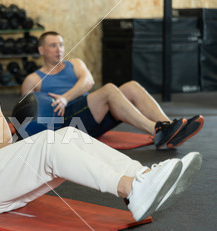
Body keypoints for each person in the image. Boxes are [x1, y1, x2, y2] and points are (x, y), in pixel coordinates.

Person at [0, 34, 202, 222]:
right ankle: (131, 189)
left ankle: (142, 178)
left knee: (69, 134)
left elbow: (4, 138)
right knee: (50, 142)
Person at [21, 31, 204, 149]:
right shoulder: (33, 80)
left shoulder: (75, 64)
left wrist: (65, 98)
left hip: (92, 116)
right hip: (69, 124)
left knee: (131, 86)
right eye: (53, 46)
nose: (59, 49)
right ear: (41, 50)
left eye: (61, 45)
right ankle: (156, 131)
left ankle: (170, 128)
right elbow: (26, 118)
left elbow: (88, 82)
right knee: (108, 89)